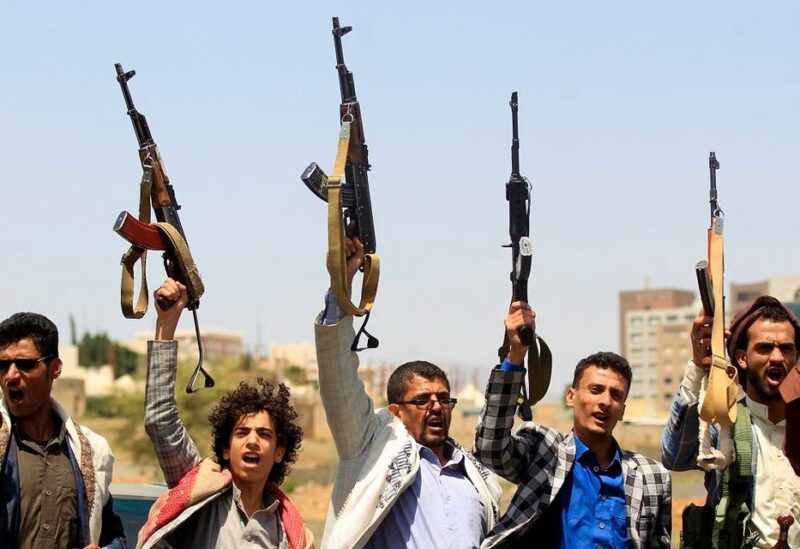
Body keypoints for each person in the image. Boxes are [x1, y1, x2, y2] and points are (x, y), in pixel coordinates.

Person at [314, 238, 501, 548]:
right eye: (422, 400)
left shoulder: (477, 477)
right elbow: (338, 381)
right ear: (396, 412)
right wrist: (341, 289)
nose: (437, 407)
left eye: (443, 398)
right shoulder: (373, 451)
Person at [475, 302, 671, 548]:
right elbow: (489, 448)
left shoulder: (652, 477)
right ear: (571, 396)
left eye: (616, 395)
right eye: (596, 390)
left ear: (622, 410)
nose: (605, 402)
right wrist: (515, 355)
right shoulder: (545, 451)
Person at [136, 278, 312, 549]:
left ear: (279, 451)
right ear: (227, 449)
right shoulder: (202, 495)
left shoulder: (290, 533)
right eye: (242, 432)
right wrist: (167, 323)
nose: (252, 441)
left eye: (264, 434)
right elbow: (160, 420)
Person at [661, 295, 800, 548]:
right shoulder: (726, 424)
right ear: (742, 358)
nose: (778, 357)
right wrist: (698, 369)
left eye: (786, 348)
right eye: (765, 348)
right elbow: (676, 456)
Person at [0, 312, 126, 548]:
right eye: (3, 365)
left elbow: (113, 536)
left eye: (25, 364)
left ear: (55, 369)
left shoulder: (90, 450)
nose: (11, 375)